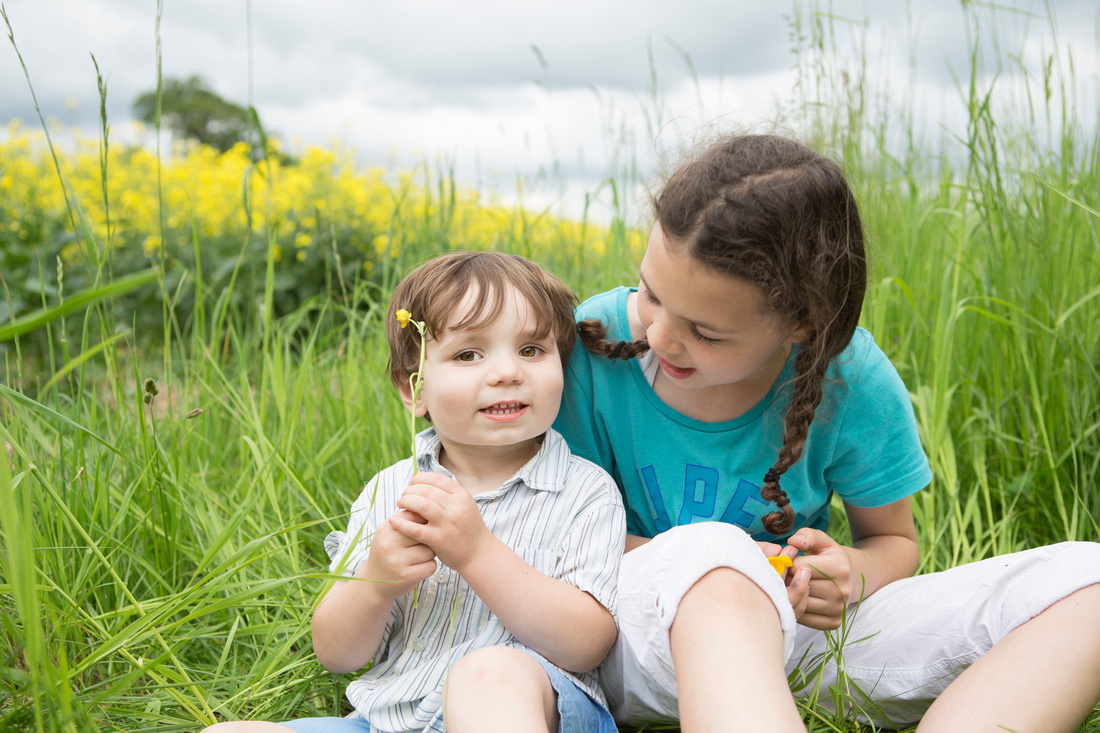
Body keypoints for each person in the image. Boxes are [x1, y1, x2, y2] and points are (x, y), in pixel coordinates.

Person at [554, 133, 1100, 732]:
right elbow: (552, 536)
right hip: (630, 641)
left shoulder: (850, 377)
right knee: (718, 559)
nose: (659, 337)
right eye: (651, 294)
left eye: (706, 332)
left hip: (797, 642)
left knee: (1086, 583)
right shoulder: (592, 343)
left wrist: (845, 575)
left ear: (802, 323)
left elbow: (894, 541)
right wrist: (740, 566)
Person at [205, 251, 625, 733]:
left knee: (487, 673)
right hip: (386, 723)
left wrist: (477, 553)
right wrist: (376, 580)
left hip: (527, 711)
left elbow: (587, 644)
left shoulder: (585, 490)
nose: (508, 372)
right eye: (469, 354)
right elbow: (337, 654)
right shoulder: (391, 490)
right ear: (414, 390)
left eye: (531, 350)